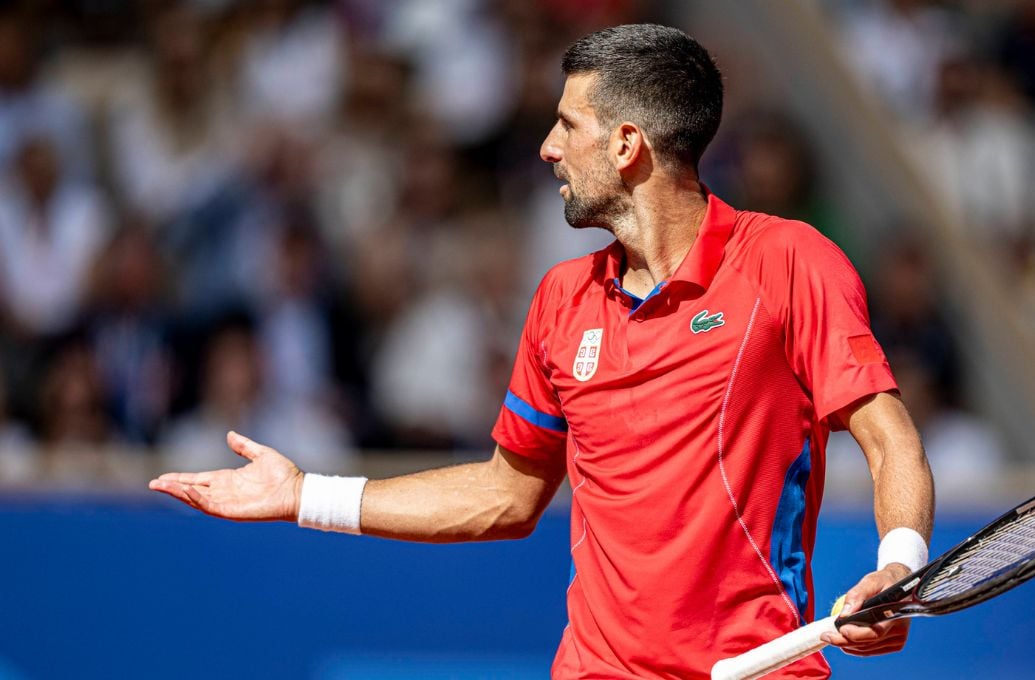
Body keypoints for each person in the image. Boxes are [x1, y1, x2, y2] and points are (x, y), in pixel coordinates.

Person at [150, 24, 935, 679]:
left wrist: (898, 565)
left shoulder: (789, 263)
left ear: (627, 144)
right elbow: (505, 494)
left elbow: (888, 437)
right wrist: (304, 497)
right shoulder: (562, 299)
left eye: (567, 126)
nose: (547, 149)